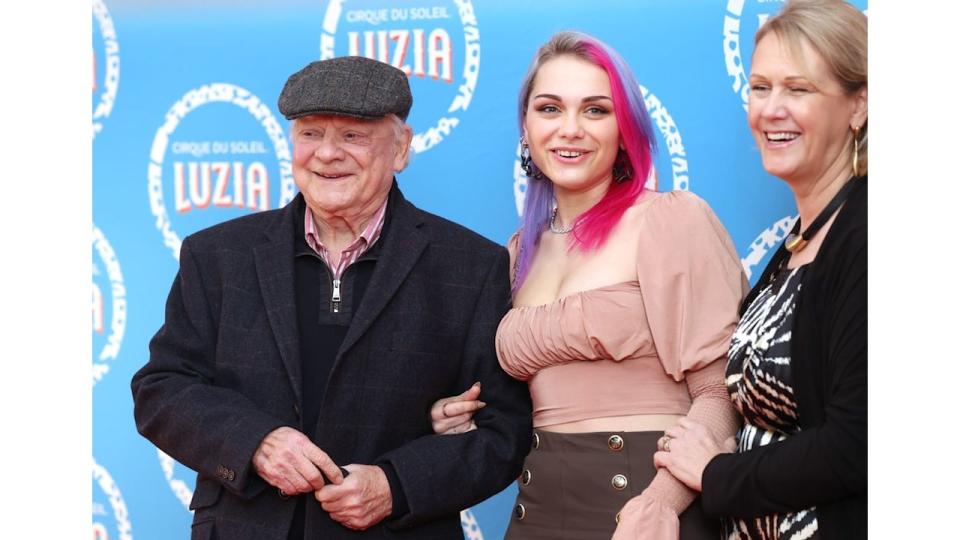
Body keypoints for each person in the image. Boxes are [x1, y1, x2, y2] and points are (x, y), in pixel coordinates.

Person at [131, 56, 532, 540]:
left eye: (353, 136)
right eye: (310, 134)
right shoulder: (216, 256)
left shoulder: (470, 266)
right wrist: (256, 443)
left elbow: (502, 432)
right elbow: (162, 389)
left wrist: (395, 485)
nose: (326, 154)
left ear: (401, 147)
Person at [431, 31, 748, 539]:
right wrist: (465, 421)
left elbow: (720, 392)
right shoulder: (516, 253)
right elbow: (522, 408)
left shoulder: (671, 221)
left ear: (626, 129)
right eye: (550, 108)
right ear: (527, 127)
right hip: (537, 515)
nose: (570, 130)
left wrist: (662, 504)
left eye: (596, 110)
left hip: (648, 514)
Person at [651, 1, 868, 538]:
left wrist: (718, 473)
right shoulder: (798, 244)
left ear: (858, 106)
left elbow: (858, 444)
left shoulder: (871, 236)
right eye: (760, 87)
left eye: (799, 89)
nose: (772, 109)